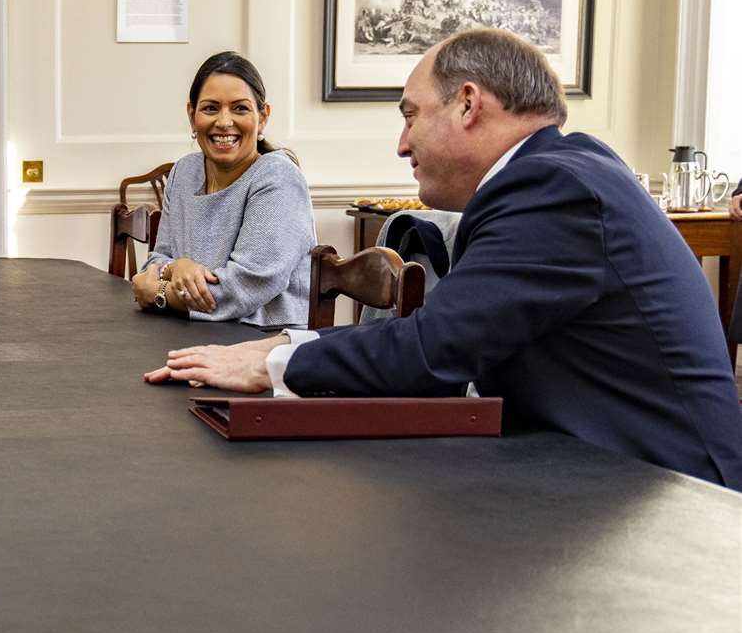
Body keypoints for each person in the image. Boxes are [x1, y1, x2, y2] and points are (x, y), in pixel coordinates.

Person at [148, 28, 742, 489]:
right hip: (602, 478)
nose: (402, 143)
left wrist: (275, 361)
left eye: (409, 114)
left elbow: (436, 349)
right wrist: (285, 347)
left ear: (467, 105)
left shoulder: (553, 190)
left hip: (671, 497)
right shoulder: (557, 171)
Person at [130, 51, 315, 326]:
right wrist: (176, 267)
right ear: (192, 116)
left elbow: (239, 290)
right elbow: (156, 261)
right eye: (210, 108)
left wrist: (158, 293)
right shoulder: (184, 172)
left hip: (265, 344)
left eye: (240, 108)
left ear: (263, 117)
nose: (224, 122)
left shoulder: (279, 178)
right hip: (193, 335)